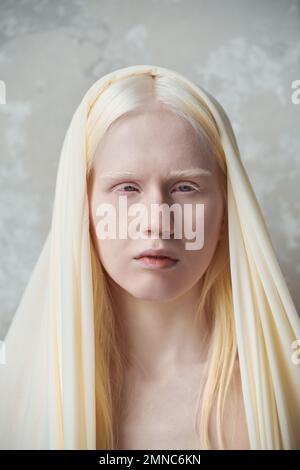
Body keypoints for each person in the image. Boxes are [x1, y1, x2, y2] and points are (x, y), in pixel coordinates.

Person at [0, 65, 299, 450]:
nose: (156, 222)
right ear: (83, 209)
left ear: (226, 212)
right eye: (126, 187)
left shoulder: (279, 397)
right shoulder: (16, 398)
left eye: (186, 187)